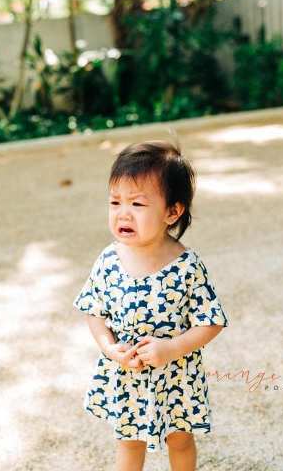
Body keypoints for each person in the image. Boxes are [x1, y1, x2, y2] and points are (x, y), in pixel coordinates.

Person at [72, 139, 229, 471]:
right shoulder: (109, 260)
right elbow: (93, 309)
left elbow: (211, 320)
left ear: (172, 211)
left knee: (180, 440)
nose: (123, 212)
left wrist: (171, 348)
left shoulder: (186, 266)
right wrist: (109, 347)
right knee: (129, 443)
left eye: (138, 204)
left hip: (176, 375)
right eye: (115, 202)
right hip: (128, 373)